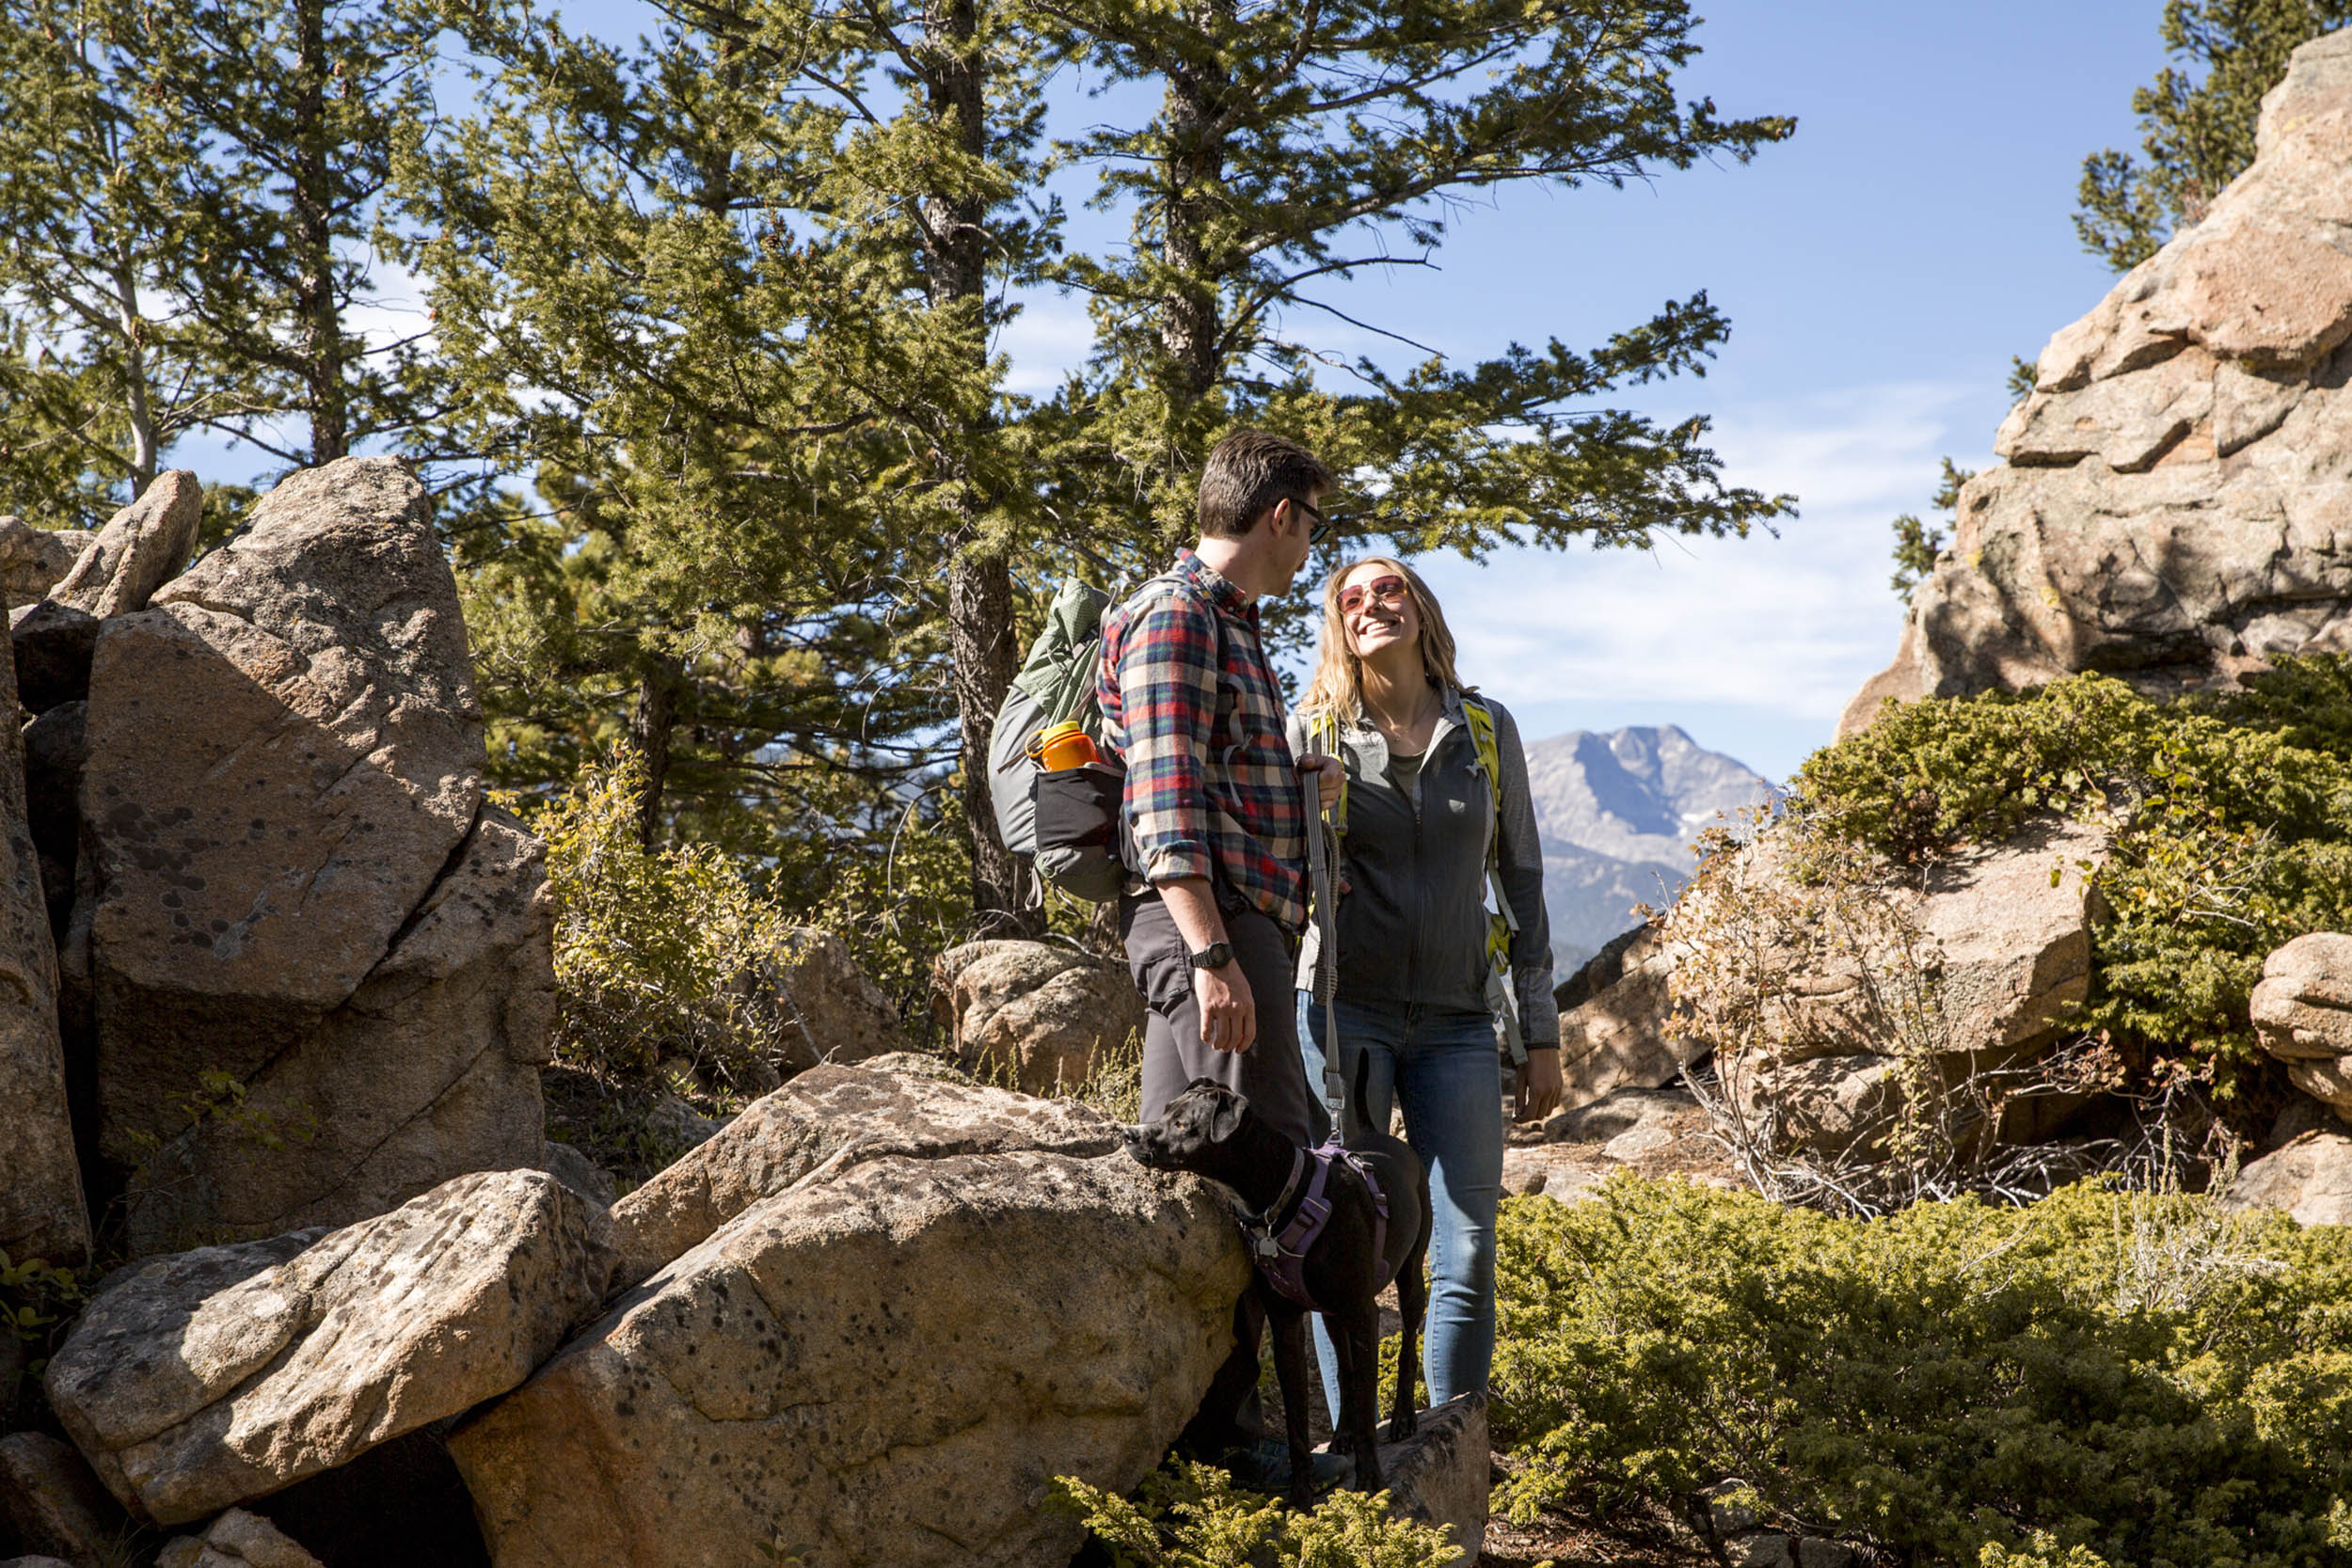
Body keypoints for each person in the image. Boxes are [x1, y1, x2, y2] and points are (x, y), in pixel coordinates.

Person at [1097, 427, 1343, 1458]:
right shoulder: (1176, 616)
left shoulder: (1230, 623)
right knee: (1236, 1183)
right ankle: (1212, 1448)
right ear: (1279, 512)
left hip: (1240, 929)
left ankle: (1223, 1434)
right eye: (1312, 525)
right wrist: (1208, 957)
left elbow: (1211, 776)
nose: (1312, 551)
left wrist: (1296, 789)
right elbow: (1164, 799)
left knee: (1244, 1177)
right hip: (1210, 929)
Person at [1288, 555, 1564, 1413]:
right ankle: (1353, 1450)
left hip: (1457, 1023)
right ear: (1341, 624)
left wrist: (1542, 1033)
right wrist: (1309, 831)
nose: (1374, 603)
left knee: (1470, 1243)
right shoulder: (1312, 734)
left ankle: (1450, 1440)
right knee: (1348, 1238)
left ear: (1420, 607)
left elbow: (1521, 881)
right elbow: (1273, 866)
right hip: (1339, 1014)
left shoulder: (1484, 729)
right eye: (1353, 597)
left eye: (1390, 588)